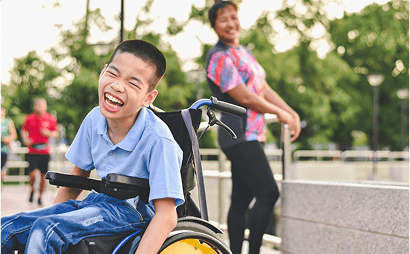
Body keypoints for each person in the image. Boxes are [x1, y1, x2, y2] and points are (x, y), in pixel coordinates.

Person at [1, 39, 184, 254]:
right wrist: (54, 214)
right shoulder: (95, 118)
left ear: (148, 98)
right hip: (97, 201)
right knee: (7, 228)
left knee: (47, 231)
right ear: (103, 73)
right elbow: (76, 179)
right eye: (113, 74)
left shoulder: (158, 139)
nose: (117, 85)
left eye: (133, 83)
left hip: (133, 209)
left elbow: (167, 215)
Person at [205, 1, 301, 253]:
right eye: (223, 19)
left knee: (241, 199)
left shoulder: (245, 53)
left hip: (253, 134)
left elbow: (263, 89)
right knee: (268, 192)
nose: (230, 23)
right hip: (237, 134)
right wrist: (280, 113)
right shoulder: (218, 57)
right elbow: (244, 96)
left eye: (233, 17)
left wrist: (290, 112)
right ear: (214, 26)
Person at [21, 98, 59, 205]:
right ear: (35, 106)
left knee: (43, 176)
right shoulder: (29, 118)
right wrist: (26, 139)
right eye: (38, 105)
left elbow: (55, 133)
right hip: (32, 150)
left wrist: (48, 133)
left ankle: (40, 196)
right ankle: (32, 189)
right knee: (33, 174)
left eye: (43, 105)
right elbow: (23, 130)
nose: (40, 107)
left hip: (44, 151)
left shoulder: (51, 118)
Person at [0, 106, 18, 181]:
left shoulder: (8, 121)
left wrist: (7, 139)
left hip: (4, 150)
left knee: (2, 171)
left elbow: (14, 135)